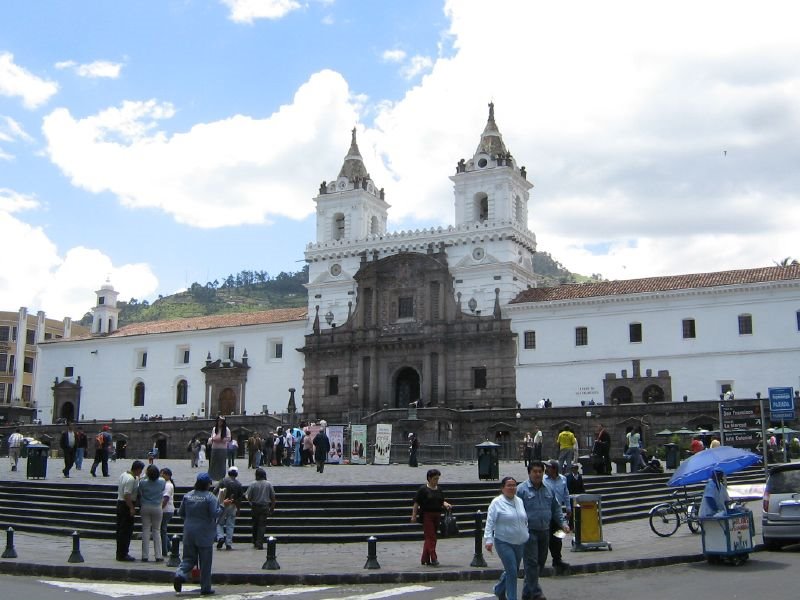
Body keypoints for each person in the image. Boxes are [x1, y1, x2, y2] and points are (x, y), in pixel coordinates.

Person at [517, 460, 569, 600]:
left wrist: (563, 523)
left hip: (544, 530)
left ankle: (527, 592)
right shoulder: (521, 490)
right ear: (529, 473)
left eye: (540, 471)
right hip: (529, 532)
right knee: (531, 562)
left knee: (540, 562)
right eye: (535, 471)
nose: (537, 474)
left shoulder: (548, 489)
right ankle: (536, 592)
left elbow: (556, 508)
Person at [173, 472, 220, 596]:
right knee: (205, 562)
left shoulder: (188, 496)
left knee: (188, 558)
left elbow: (181, 513)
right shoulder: (210, 497)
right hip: (205, 533)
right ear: (208, 484)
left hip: (189, 531)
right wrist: (223, 506)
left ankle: (180, 574)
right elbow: (214, 514)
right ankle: (205, 587)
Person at [484, 476, 528, 600]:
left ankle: (499, 589)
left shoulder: (519, 501)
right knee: (513, 571)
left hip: (519, 541)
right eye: (509, 485)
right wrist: (488, 539)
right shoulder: (497, 502)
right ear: (502, 488)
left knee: (511, 570)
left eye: (514, 485)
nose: (512, 488)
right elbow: (490, 521)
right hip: (503, 541)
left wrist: (526, 533)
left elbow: (524, 519)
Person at [410, 468, 452, 566]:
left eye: (437, 479)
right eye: (435, 479)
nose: (436, 481)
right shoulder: (423, 489)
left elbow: (441, 501)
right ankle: (433, 557)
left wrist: (446, 504)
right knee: (431, 537)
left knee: (430, 537)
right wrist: (413, 516)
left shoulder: (439, 489)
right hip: (427, 515)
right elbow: (416, 503)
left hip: (437, 515)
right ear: (429, 478)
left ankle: (424, 558)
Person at [543, 459, 571, 573]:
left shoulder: (563, 479)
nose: (546, 469)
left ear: (554, 469)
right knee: (546, 538)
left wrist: (568, 507)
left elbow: (566, 494)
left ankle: (557, 559)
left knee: (559, 537)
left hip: (558, 513)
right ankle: (541, 561)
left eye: (549, 467)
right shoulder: (543, 480)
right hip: (546, 512)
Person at [116, 460, 145, 562]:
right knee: (126, 531)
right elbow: (127, 495)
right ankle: (123, 554)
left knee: (120, 530)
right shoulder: (131, 479)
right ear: (137, 469)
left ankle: (120, 553)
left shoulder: (124, 474)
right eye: (140, 470)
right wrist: (132, 508)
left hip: (119, 503)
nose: (140, 473)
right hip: (126, 505)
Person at [138, 464, 166, 562]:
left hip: (145, 506)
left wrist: (146, 475)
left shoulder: (142, 482)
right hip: (157, 506)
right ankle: (158, 555)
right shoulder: (162, 482)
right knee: (156, 530)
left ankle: (144, 555)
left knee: (145, 530)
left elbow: (140, 491)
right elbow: (163, 490)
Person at [245, 467, 276, 549]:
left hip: (255, 506)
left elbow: (247, 496)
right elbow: (273, 497)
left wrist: (251, 502)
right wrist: (272, 507)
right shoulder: (268, 484)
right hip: (265, 507)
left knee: (255, 524)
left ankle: (255, 540)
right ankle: (260, 542)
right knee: (262, 525)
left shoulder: (253, 484)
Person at [214, 465, 243, 550]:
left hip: (222, 503)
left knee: (219, 522)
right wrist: (238, 509)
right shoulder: (238, 484)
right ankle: (228, 543)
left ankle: (220, 537)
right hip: (233, 505)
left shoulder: (223, 481)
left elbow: (215, 491)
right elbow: (240, 498)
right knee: (230, 524)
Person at [209, 416, 231, 481]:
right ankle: (212, 476)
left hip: (222, 448)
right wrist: (212, 439)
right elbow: (211, 437)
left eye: (221, 421)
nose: (219, 422)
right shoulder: (214, 429)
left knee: (221, 463)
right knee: (213, 463)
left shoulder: (226, 429)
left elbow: (229, 438)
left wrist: (221, 439)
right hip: (214, 448)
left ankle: (221, 477)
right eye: (218, 421)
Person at [161, 468, 176, 558]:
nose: (161, 476)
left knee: (162, 530)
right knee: (162, 530)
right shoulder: (166, 484)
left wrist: (160, 508)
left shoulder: (168, 485)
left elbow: (165, 499)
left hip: (166, 510)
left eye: (162, 474)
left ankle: (165, 550)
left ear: (168, 475)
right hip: (167, 509)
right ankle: (169, 547)